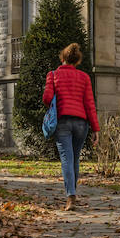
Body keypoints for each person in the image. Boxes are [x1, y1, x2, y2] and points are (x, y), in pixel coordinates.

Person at [43, 43, 99, 210]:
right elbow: (90, 104)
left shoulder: (53, 75)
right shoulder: (84, 77)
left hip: (63, 122)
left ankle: (71, 196)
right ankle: (72, 192)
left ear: (62, 59)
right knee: (74, 158)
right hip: (82, 123)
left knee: (66, 159)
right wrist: (96, 129)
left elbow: (47, 98)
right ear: (77, 61)